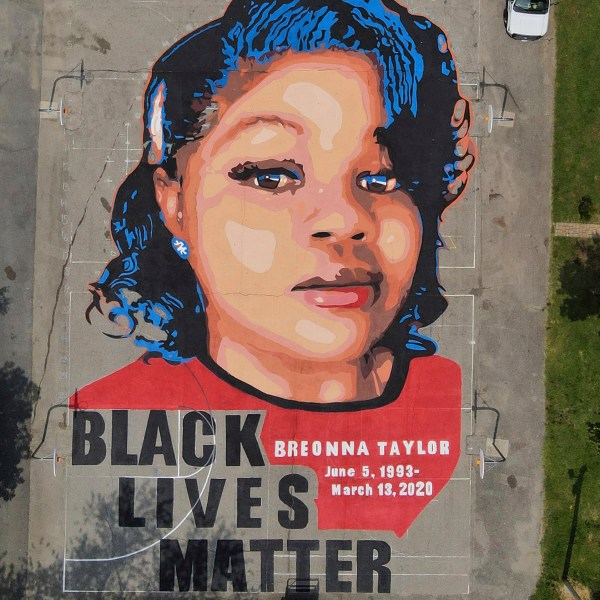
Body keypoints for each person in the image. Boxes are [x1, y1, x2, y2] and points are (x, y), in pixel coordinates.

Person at [73, 0, 476, 537]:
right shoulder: (105, 418)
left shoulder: (454, 410)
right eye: (272, 176)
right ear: (174, 205)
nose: (344, 219)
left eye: (382, 179)